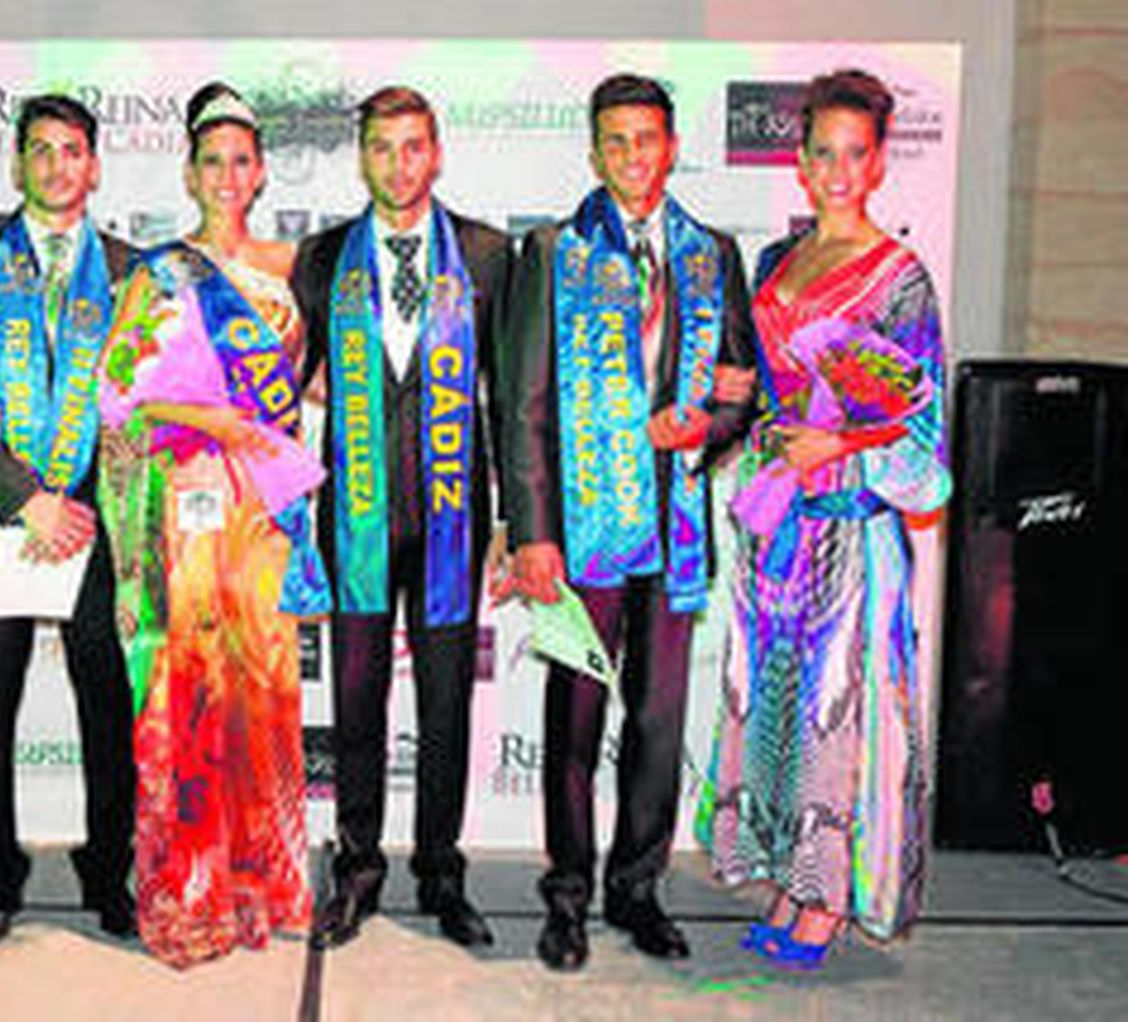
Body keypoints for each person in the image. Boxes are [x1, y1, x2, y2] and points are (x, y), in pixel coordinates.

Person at [501, 74, 758, 970]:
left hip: (679, 530)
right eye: (615, 141)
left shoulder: (711, 253)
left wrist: (711, 426)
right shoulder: (554, 252)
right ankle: (566, 896)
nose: (632, 157)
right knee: (574, 723)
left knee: (656, 724)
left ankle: (637, 890)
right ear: (594, 150)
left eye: (646, 138)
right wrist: (532, 532)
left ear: (673, 144)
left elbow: (741, 386)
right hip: (582, 539)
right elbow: (523, 407)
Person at [697, 68, 950, 970]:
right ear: (800, 162)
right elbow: (768, 396)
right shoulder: (776, 264)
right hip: (777, 529)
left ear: (878, 161)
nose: (838, 170)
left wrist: (838, 451)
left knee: (838, 712)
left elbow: (920, 440)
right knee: (772, 703)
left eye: (856, 153)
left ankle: (829, 900)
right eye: (823, 153)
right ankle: (787, 874)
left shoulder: (900, 279)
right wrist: (744, 408)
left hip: (852, 528)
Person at [95, 82, 317, 968]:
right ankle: (189, 887)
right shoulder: (158, 273)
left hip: (263, 508)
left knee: (262, 681)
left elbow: (310, 390)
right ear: (189, 171)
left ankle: (259, 880)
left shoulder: (295, 266)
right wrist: (209, 420)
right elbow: (120, 407)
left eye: (240, 160)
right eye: (211, 161)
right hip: (188, 505)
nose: (226, 176)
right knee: (192, 684)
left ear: (260, 170)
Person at [290, 85, 512, 951]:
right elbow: (284, 387)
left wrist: (518, 523)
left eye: (413, 146)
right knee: (354, 704)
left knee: (449, 704)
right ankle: (357, 872)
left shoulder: (490, 256)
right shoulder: (321, 258)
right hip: (354, 519)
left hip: (456, 519)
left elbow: (519, 393)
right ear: (361, 157)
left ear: (438, 152)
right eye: (381, 148)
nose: (397, 164)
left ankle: (441, 873)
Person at [0, 94, 138, 948]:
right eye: (40, 151)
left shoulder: (129, 271)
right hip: (2, 515)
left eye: (72, 151)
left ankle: (107, 872)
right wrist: (27, 498)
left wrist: (76, 502)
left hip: (94, 524)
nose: (56, 166)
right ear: (17, 165)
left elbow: (141, 407)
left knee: (107, 705)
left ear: (93, 166)